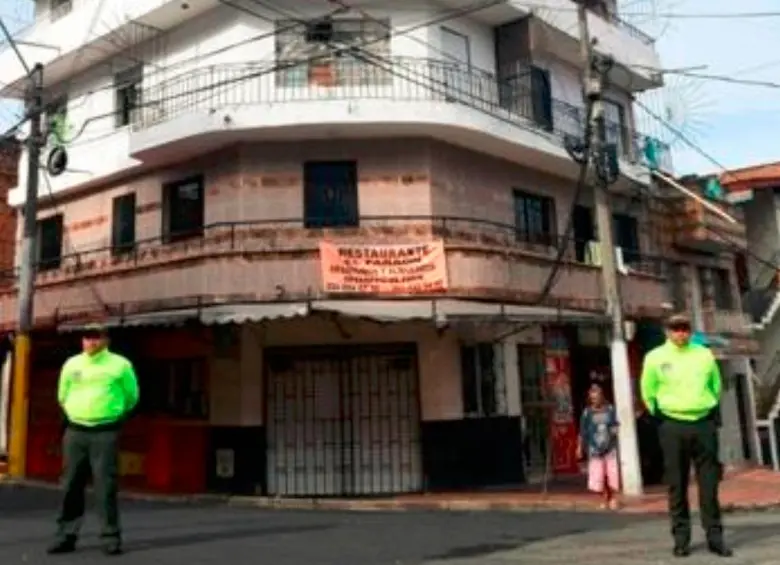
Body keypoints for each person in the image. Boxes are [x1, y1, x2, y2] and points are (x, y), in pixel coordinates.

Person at [640, 313, 731, 558]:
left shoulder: (703, 354)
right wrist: (660, 414)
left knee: (709, 485)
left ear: (690, 331)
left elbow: (715, 384)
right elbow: (647, 390)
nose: (680, 333)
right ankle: (681, 539)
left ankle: (715, 537)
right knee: (676, 484)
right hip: (672, 425)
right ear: (667, 332)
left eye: (684, 329)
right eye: (675, 329)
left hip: (703, 424)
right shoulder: (655, 358)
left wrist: (708, 407)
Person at [47, 323, 139, 556]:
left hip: (105, 432)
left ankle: (110, 536)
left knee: (105, 485)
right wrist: (74, 412)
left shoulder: (120, 365)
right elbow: (62, 394)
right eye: (87, 338)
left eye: (96, 338)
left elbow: (132, 396)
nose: (91, 342)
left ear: (105, 340)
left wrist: (114, 414)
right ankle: (66, 535)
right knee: (70, 484)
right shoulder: (72, 364)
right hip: (76, 431)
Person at [577, 382, 620, 509]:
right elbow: (582, 431)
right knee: (598, 476)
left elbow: (614, 426)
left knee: (612, 475)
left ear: (602, 396)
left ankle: (612, 498)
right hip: (594, 449)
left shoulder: (610, 410)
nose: (595, 399)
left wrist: (613, 435)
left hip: (609, 447)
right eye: (593, 397)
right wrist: (579, 447)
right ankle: (603, 498)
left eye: (598, 396)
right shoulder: (587, 413)